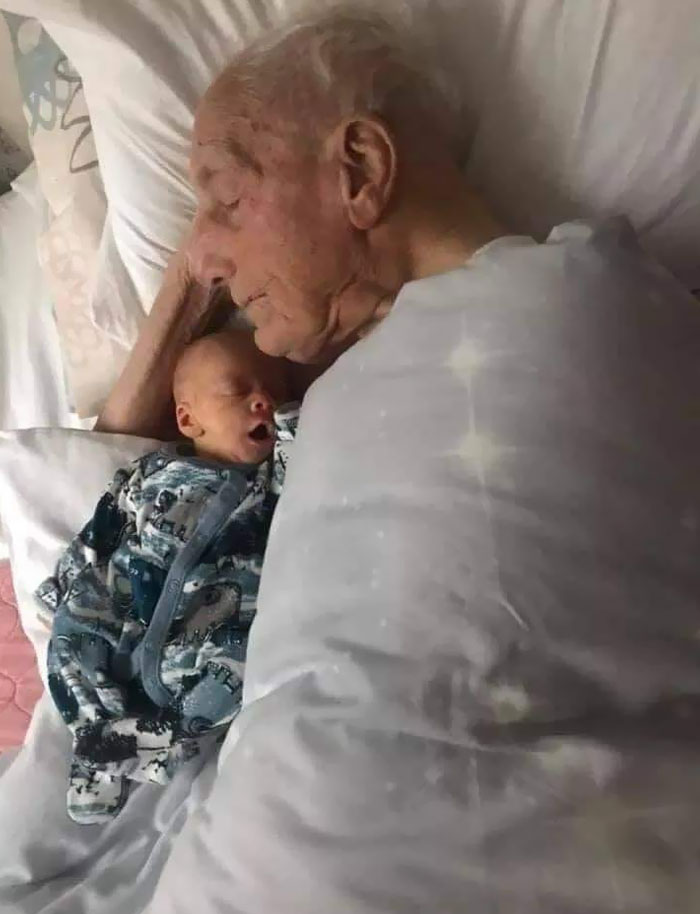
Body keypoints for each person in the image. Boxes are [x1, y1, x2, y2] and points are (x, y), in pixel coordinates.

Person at [38, 328, 298, 824]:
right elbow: (105, 527)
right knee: (69, 638)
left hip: (202, 636)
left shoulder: (271, 482)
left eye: (273, 389)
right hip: (121, 613)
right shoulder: (154, 471)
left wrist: (292, 423)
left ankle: (164, 738)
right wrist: (67, 579)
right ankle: (96, 740)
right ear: (187, 418)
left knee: (244, 658)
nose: (262, 400)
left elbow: (301, 451)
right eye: (238, 390)